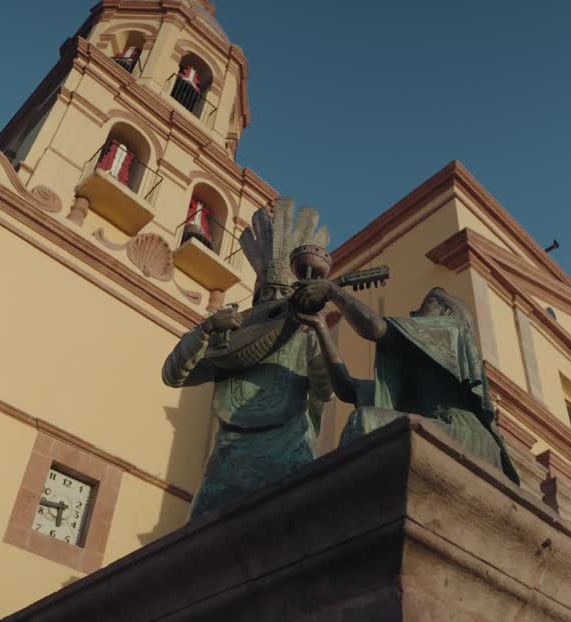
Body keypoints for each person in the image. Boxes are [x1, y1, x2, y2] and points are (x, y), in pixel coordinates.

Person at [163, 199, 332, 517]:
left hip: (290, 446)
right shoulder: (233, 334)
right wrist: (207, 328)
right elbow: (174, 375)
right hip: (231, 454)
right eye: (268, 296)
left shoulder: (306, 333)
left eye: (283, 295)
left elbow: (324, 389)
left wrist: (318, 326)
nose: (276, 303)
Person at [293, 282, 519, 483]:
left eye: (425, 304)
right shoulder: (415, 368)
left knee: (364, 420)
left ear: (445, 311)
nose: (413, 311)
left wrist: (333, 290)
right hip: (436, 425)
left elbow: (375, 328)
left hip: (466, 435)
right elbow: (347, 389)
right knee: (366, 421)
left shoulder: (450, 330)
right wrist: (320, 327)